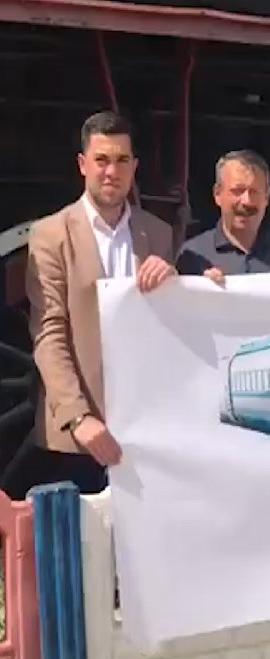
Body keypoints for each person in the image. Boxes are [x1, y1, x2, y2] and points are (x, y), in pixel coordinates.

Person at [4, 111, 176, 498]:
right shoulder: (51, 235)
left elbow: (171, 326)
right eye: (102, 160)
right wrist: (78, 416)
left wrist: (174, 281)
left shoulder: (159, 234)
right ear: (83, 164)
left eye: (121, 160)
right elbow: (49, 333)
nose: (111, 171)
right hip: (77, 438)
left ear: (135, 167)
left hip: (142, 430)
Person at [176, 150, 270, 284]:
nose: (247, 201)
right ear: (217, 194)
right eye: (238, 191)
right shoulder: (193, 256)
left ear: (267, 197)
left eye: (254, 192)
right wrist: (202, 287)